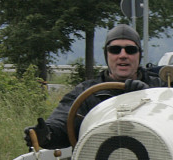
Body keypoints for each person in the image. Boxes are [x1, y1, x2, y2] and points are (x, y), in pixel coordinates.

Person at [23, 24, 164, 150]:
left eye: (130, 50)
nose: (123, 55)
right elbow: (63, 120)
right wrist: (47, 133)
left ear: (139, 55)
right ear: (106, 55)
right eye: (115, 50)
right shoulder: (86, 93)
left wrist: (146, 96)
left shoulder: (160, 89)